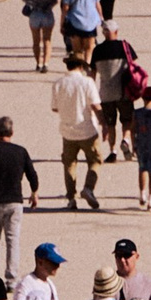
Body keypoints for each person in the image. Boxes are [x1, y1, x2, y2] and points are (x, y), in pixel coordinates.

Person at [0, 117, 38, 281]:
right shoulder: (20, 151)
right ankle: (11, 278)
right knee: (12, 241)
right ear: (12, 132)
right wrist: (34, 192)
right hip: (14, 202)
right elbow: (32, 175)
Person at [50, 54, 103, 212]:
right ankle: (88, 188)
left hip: (67, 131)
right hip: (87, 129)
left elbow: (54, 107)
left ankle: (71, 198)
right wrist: (104, 124)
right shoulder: (87, 82)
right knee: (95, 160)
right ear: (81, 66)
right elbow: (95, 106)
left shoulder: (59, 83)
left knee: (69, 164)